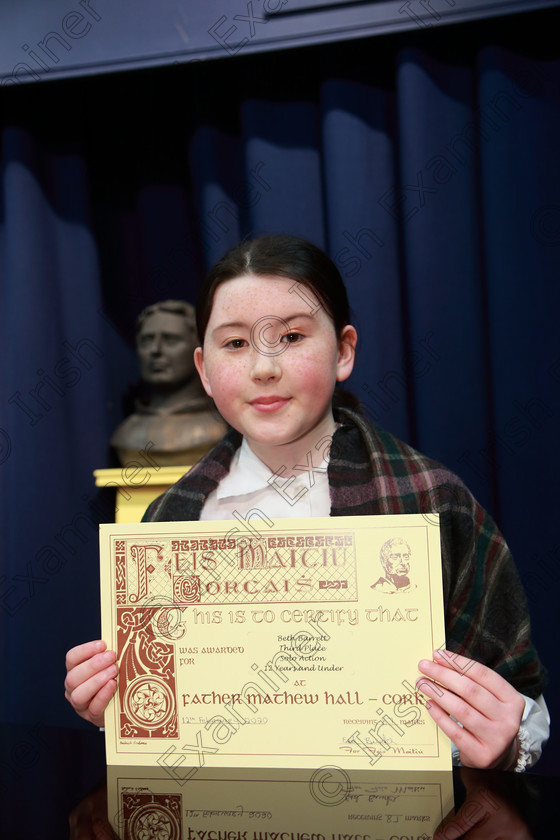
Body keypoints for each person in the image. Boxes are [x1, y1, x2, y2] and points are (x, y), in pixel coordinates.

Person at [65, 235, 549, 771]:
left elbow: (523, 704)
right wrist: (120, 704)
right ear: (202, 369)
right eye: (235, 344)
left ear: (343, 351)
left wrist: (509, 738)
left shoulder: (431, 499)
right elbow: (168, 722)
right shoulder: (169, 520)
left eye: (291, 336)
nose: (264, 368)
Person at [110, 300, 225, 466]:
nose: (155, 350)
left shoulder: (221, 429)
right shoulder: (125, 434)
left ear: (199, 351)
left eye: (171, 340)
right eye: (147, 341)